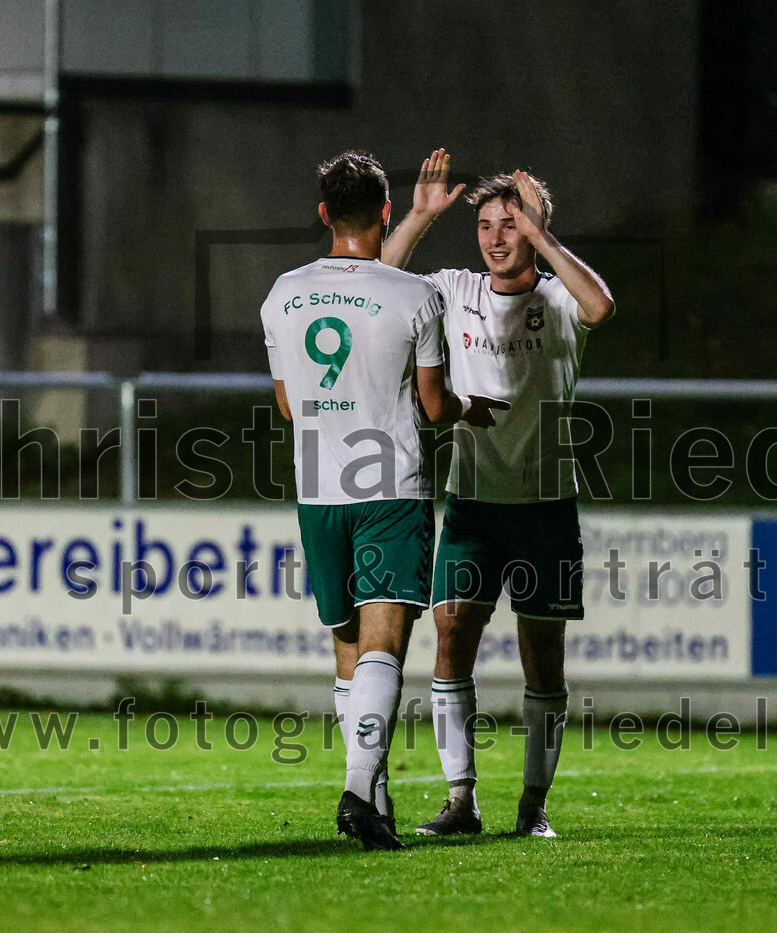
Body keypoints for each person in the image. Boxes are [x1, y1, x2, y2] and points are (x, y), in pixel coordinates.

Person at [260, 150, 508, 851]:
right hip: (390, 488)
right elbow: (432, 406)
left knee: (347, 645)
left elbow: (286, 403)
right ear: (385, 212)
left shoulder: (282, 293)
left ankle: (371, 794)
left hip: (318, 488)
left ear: (322, 214)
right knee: (385, 644)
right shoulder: (414, 298)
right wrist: (471, 407)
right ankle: (355, 787)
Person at [383, 149, 615, 837]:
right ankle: (461, 799)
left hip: (546, 506)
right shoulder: (455, 288)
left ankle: (534, 804)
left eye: (510, 223)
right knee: (451, 639)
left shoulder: (559, 299)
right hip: (473, 504)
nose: (494, 235)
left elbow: (603, 305)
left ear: (535, 229)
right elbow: (380, 281)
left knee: (542, 657)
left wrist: (543, 236)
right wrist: (422, 217)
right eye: (485, 223)